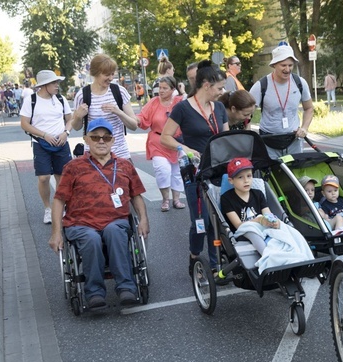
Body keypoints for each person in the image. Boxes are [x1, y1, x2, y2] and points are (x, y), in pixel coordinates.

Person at [48, 118, 149, 309]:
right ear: (87, 139)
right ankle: (94, 293)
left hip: (116, 221)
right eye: (95, 137)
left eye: (106, 137)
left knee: (114, 231)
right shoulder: (73, 167)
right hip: (81, 224)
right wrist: (55, 233)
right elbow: (59, 200)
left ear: (112, 140)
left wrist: (143, 220)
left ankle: (126, 287)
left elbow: (136, 195)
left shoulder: (125, 166)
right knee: (91, 239)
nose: (101, 141)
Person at [160, 60, 229, 277]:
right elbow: (165, 137)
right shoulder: (183, 108)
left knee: (218, 218)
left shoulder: (219, 108)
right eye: (220, 88)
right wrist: (185, 148)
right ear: (206, 85)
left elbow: (225, 138)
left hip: (218, 169)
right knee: (201, 220)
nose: (222, 92)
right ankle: (195, 256)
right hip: (195, 171)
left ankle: (216, 263)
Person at [19, 70, 74, 224]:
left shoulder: (61, 99)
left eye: (57, 82)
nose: (57, 85)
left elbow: (70, 119)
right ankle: (48, 209)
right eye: (54, 83)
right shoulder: (32, 100)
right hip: (41, 144)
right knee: (43, 178)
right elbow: (24, 124)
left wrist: (66, 132)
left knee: (61, 178)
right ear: (44, 85)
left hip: (61, 144)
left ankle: (61, 207)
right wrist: (44, 135)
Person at [249, 44, 314, 159]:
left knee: (295, 174)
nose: (287, 69)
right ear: (274, 65)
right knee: (272, 175)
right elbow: (247, 114)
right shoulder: (261, 85)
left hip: (293, 140)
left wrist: (304, 128)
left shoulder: (300, 82)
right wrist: (248, 136)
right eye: (283, 65)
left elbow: (309, 108)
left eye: (290, 65)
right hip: (269, 142)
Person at [70, 54, 138, 160]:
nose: (110, 78)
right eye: (107, 75)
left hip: (119, 154)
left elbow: (134, 125)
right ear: (96, 73)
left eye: (112, 74)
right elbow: (76, 126)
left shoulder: (119, 92)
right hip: (93, 156)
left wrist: (118, 112)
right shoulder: (83, 95)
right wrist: (78, 117)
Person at [136, 76, 185, 212]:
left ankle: (176, 199)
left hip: (176, 142)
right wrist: (134, 119)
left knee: (177, 172)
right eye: (159, 88)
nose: (161, 91)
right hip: (157, 142)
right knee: (163, 170)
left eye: (165, 88)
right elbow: (142, 117)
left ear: (173, 89)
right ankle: (165, 199)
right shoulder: (153, 102)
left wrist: (183, 92)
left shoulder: (179, 102)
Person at [221, 157, 280, 233]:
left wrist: (273, 221)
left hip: (263, 230)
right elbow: (238, 225)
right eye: (240, 177)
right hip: (243, 233)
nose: (246, 181)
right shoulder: (226, 198)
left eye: (249, 176)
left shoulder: (258, 194)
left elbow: (268, 214)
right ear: (231, 180)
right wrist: (259, 220)